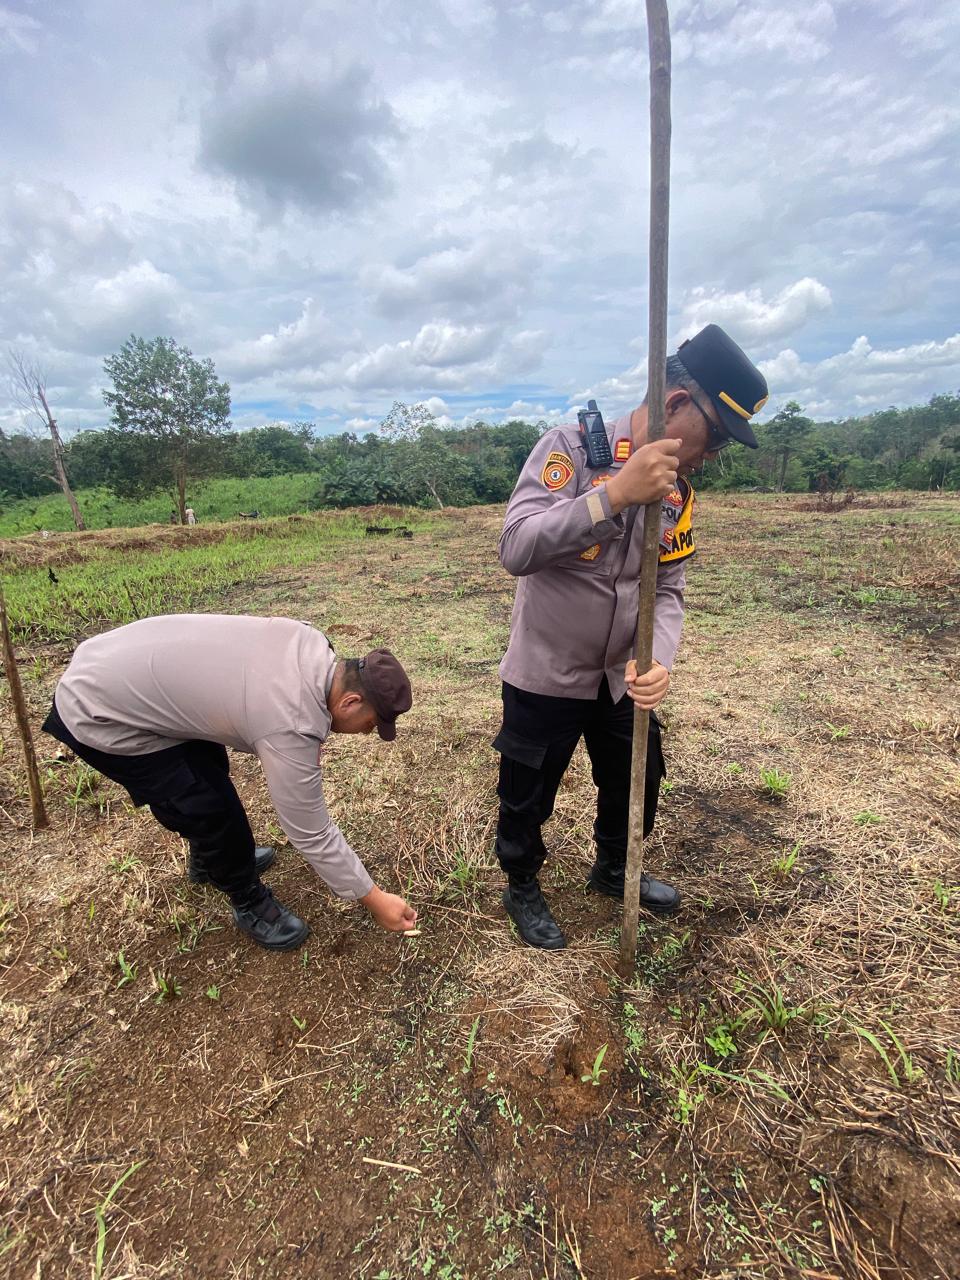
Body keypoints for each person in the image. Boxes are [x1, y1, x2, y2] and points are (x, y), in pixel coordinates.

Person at [494, 324, 769, 949]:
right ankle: (522, 883)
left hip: (622, 676)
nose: (711, 456)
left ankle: (616, 868)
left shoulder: (679, 493)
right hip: (546, 671)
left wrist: (660, 658)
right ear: (676, 402)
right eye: (715, 436)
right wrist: (613, 496)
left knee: (637, 777)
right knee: (527, 789)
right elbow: (516, 548)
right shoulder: (570, 451)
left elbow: (668, 587)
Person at [42, 614, 417, 950]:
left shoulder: (309, 640)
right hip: (98, 708)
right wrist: (374, 898)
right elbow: (311, 832)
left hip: (113, 660)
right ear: (350, 702)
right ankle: (247, 899)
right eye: (370, 724)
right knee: (205, 806)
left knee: (209, 766)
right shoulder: (292, 719)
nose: (365, 733)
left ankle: (212, 858)